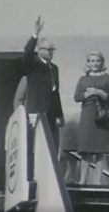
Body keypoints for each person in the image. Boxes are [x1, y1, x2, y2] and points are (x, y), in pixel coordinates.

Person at [74, 51, 109, 185]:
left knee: (100, 150)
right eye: (92, 61)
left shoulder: (108, 78)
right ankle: (82, 181)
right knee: (85, 150)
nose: (95, 64)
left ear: (102, 62)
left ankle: (97, 181)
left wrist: (99, 92)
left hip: (102, 115)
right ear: (88, 63)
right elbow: (77, 97)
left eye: (97, 61)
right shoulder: (83, 79)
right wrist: (88, 93)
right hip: (87, 113)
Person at [22, 16, 65, 152]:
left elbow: (55, 92)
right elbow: (27, 52)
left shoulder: (54, 68)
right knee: (34, 143)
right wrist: (36, 34)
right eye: (48, 50)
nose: (51, 53)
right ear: (40, 50)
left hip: (51, 112)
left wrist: (60, 114)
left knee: (50, 145)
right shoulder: (33, 64)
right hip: (36, 109)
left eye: (52, 50)